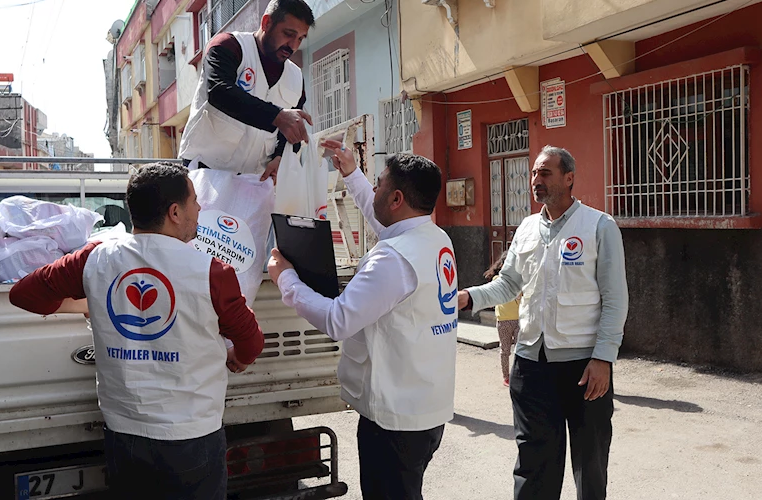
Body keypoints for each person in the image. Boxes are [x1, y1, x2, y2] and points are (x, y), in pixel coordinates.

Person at [9, 162, 265, 500]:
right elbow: (251, 341)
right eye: (194, 202)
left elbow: (24, 294)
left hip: (124, 434)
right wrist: (237, 358)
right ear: (175, 212)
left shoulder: (94, 259)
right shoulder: (211, 271)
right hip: (191, 436)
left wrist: (88, 300)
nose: (200, 208)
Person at [267, 143, 458, 500]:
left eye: (379, 185)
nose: (374, 191)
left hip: (394, 421)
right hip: (426, 409)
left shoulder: (392, 258)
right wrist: (352, 174)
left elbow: (339, 320)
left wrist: (286, 280)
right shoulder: (433, 238)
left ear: (397, 197)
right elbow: (383, 220)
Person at [458, 145, 629, 500]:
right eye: (535, 173)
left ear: (569, 178)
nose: (536, 180)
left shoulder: (599, 225)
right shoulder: (527, 228)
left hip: (584, 369)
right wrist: (470, 297)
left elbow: (615, 299)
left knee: (590, 464)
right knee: (534, 465)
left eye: (545, 173)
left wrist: (603, 358)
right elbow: (508, 284)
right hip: (532, 366)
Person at [178, 0, 315, 182]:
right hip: (205, 175)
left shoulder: (295, 77)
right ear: (266, 23)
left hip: (254, 182)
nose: (293, 45)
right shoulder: (229, 46)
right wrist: (277, 116)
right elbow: (218, 91)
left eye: (301, 38)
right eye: (288, 34)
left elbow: (291, 128)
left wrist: (279, 156)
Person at [484, 253, 520, 387]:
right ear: (502, 265)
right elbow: (493, 295)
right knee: (505, 350)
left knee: (519, 349)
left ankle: (517, 375)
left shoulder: (519, 281)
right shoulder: (497, 280)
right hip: (503, 320)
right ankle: (506, 376)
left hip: (519, 320)